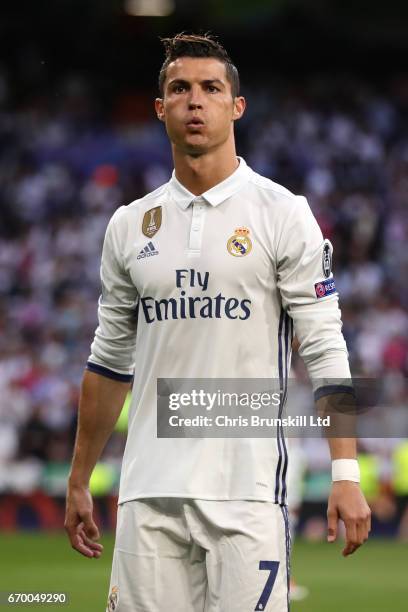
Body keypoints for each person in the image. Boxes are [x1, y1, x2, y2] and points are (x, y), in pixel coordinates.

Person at [64, 33, 371, 612]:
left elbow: (326, 348)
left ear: (237, 106)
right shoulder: (129, 226)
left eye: (211, 88)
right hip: (148, 493)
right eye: (179, 89)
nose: (194, 101)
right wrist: (79, 478)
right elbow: (108, 362)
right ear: (161, 109)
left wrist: (346, 471)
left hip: (247, 493)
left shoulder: (283, 214)